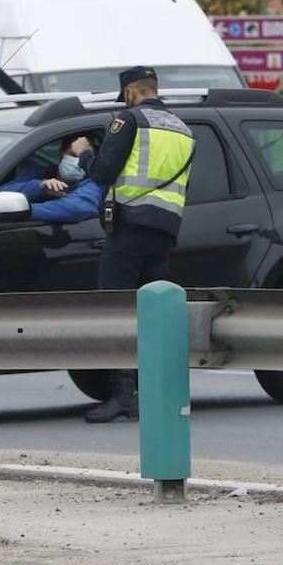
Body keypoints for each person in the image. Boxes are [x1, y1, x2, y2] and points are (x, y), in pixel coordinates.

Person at [82, 66, 196, 424]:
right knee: (152, 315)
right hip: (164, 230)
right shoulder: (183, 129)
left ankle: (123, 395)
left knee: (115, 311)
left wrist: (83, 153)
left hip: (129, 229)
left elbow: (103, 172)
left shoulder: (129, 121)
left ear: (131, 91)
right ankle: (154, 393)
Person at [0, 134, 105, 223]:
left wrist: (22, 210)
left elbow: (76, 208)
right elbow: (0, 194)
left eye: (82, 157)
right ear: (60, 154)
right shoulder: (39, 172)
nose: (78, 163)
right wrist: (40, 187)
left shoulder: (93, 182)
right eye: (73, 155)